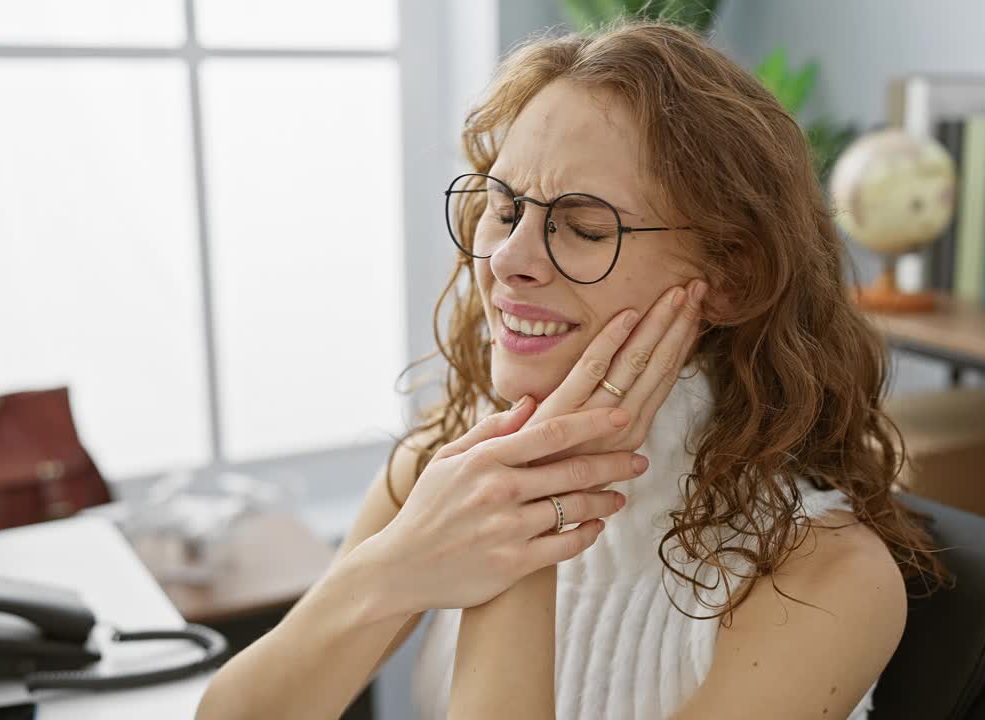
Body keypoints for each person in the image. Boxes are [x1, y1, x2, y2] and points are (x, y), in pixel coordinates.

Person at [196, 19, 944, 720]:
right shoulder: (444, 465)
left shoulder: (827, 579)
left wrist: (527, 519)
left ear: (732, 276)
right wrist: (387, 571)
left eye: (584, 228)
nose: (508, 262)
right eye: (504, 208)